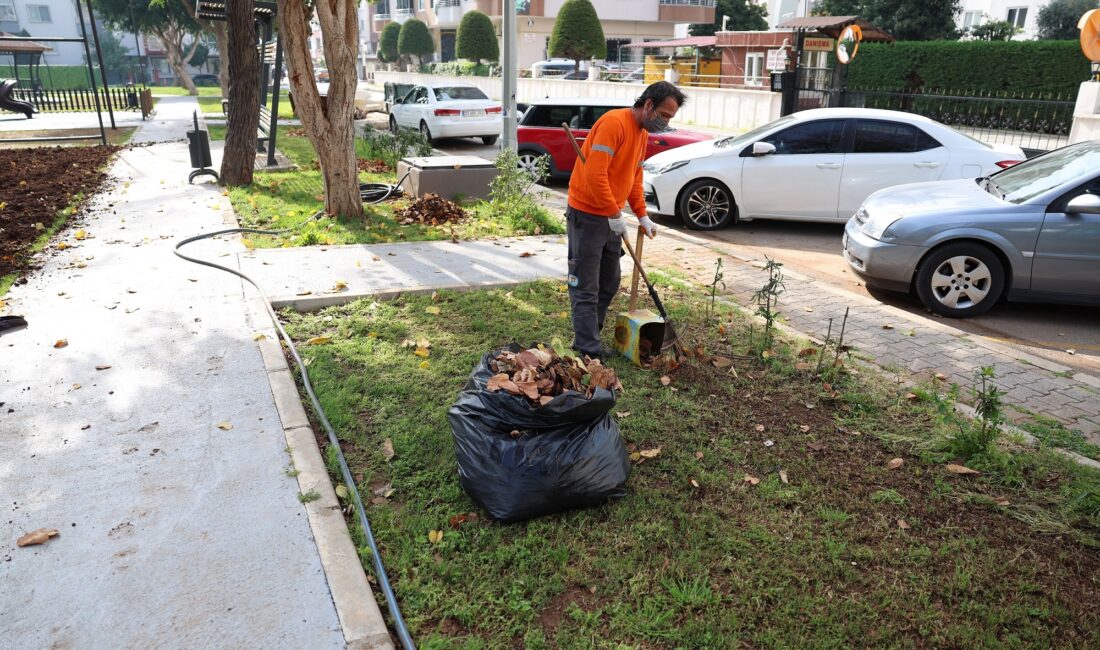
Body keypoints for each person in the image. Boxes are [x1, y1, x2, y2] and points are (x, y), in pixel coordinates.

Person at [565, 81, 686, 360]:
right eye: (664, 115)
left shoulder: (641, 133)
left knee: (609, 281)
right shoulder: (613, 124)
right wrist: (613, 213)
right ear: (648, 105)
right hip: (588, 214)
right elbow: (595, 174)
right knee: (586, 284)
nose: (665, 123)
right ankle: (587, 348)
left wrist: (641, 213)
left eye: (671, 117)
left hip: (611, 217)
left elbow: (634, 177)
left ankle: (589, 336)